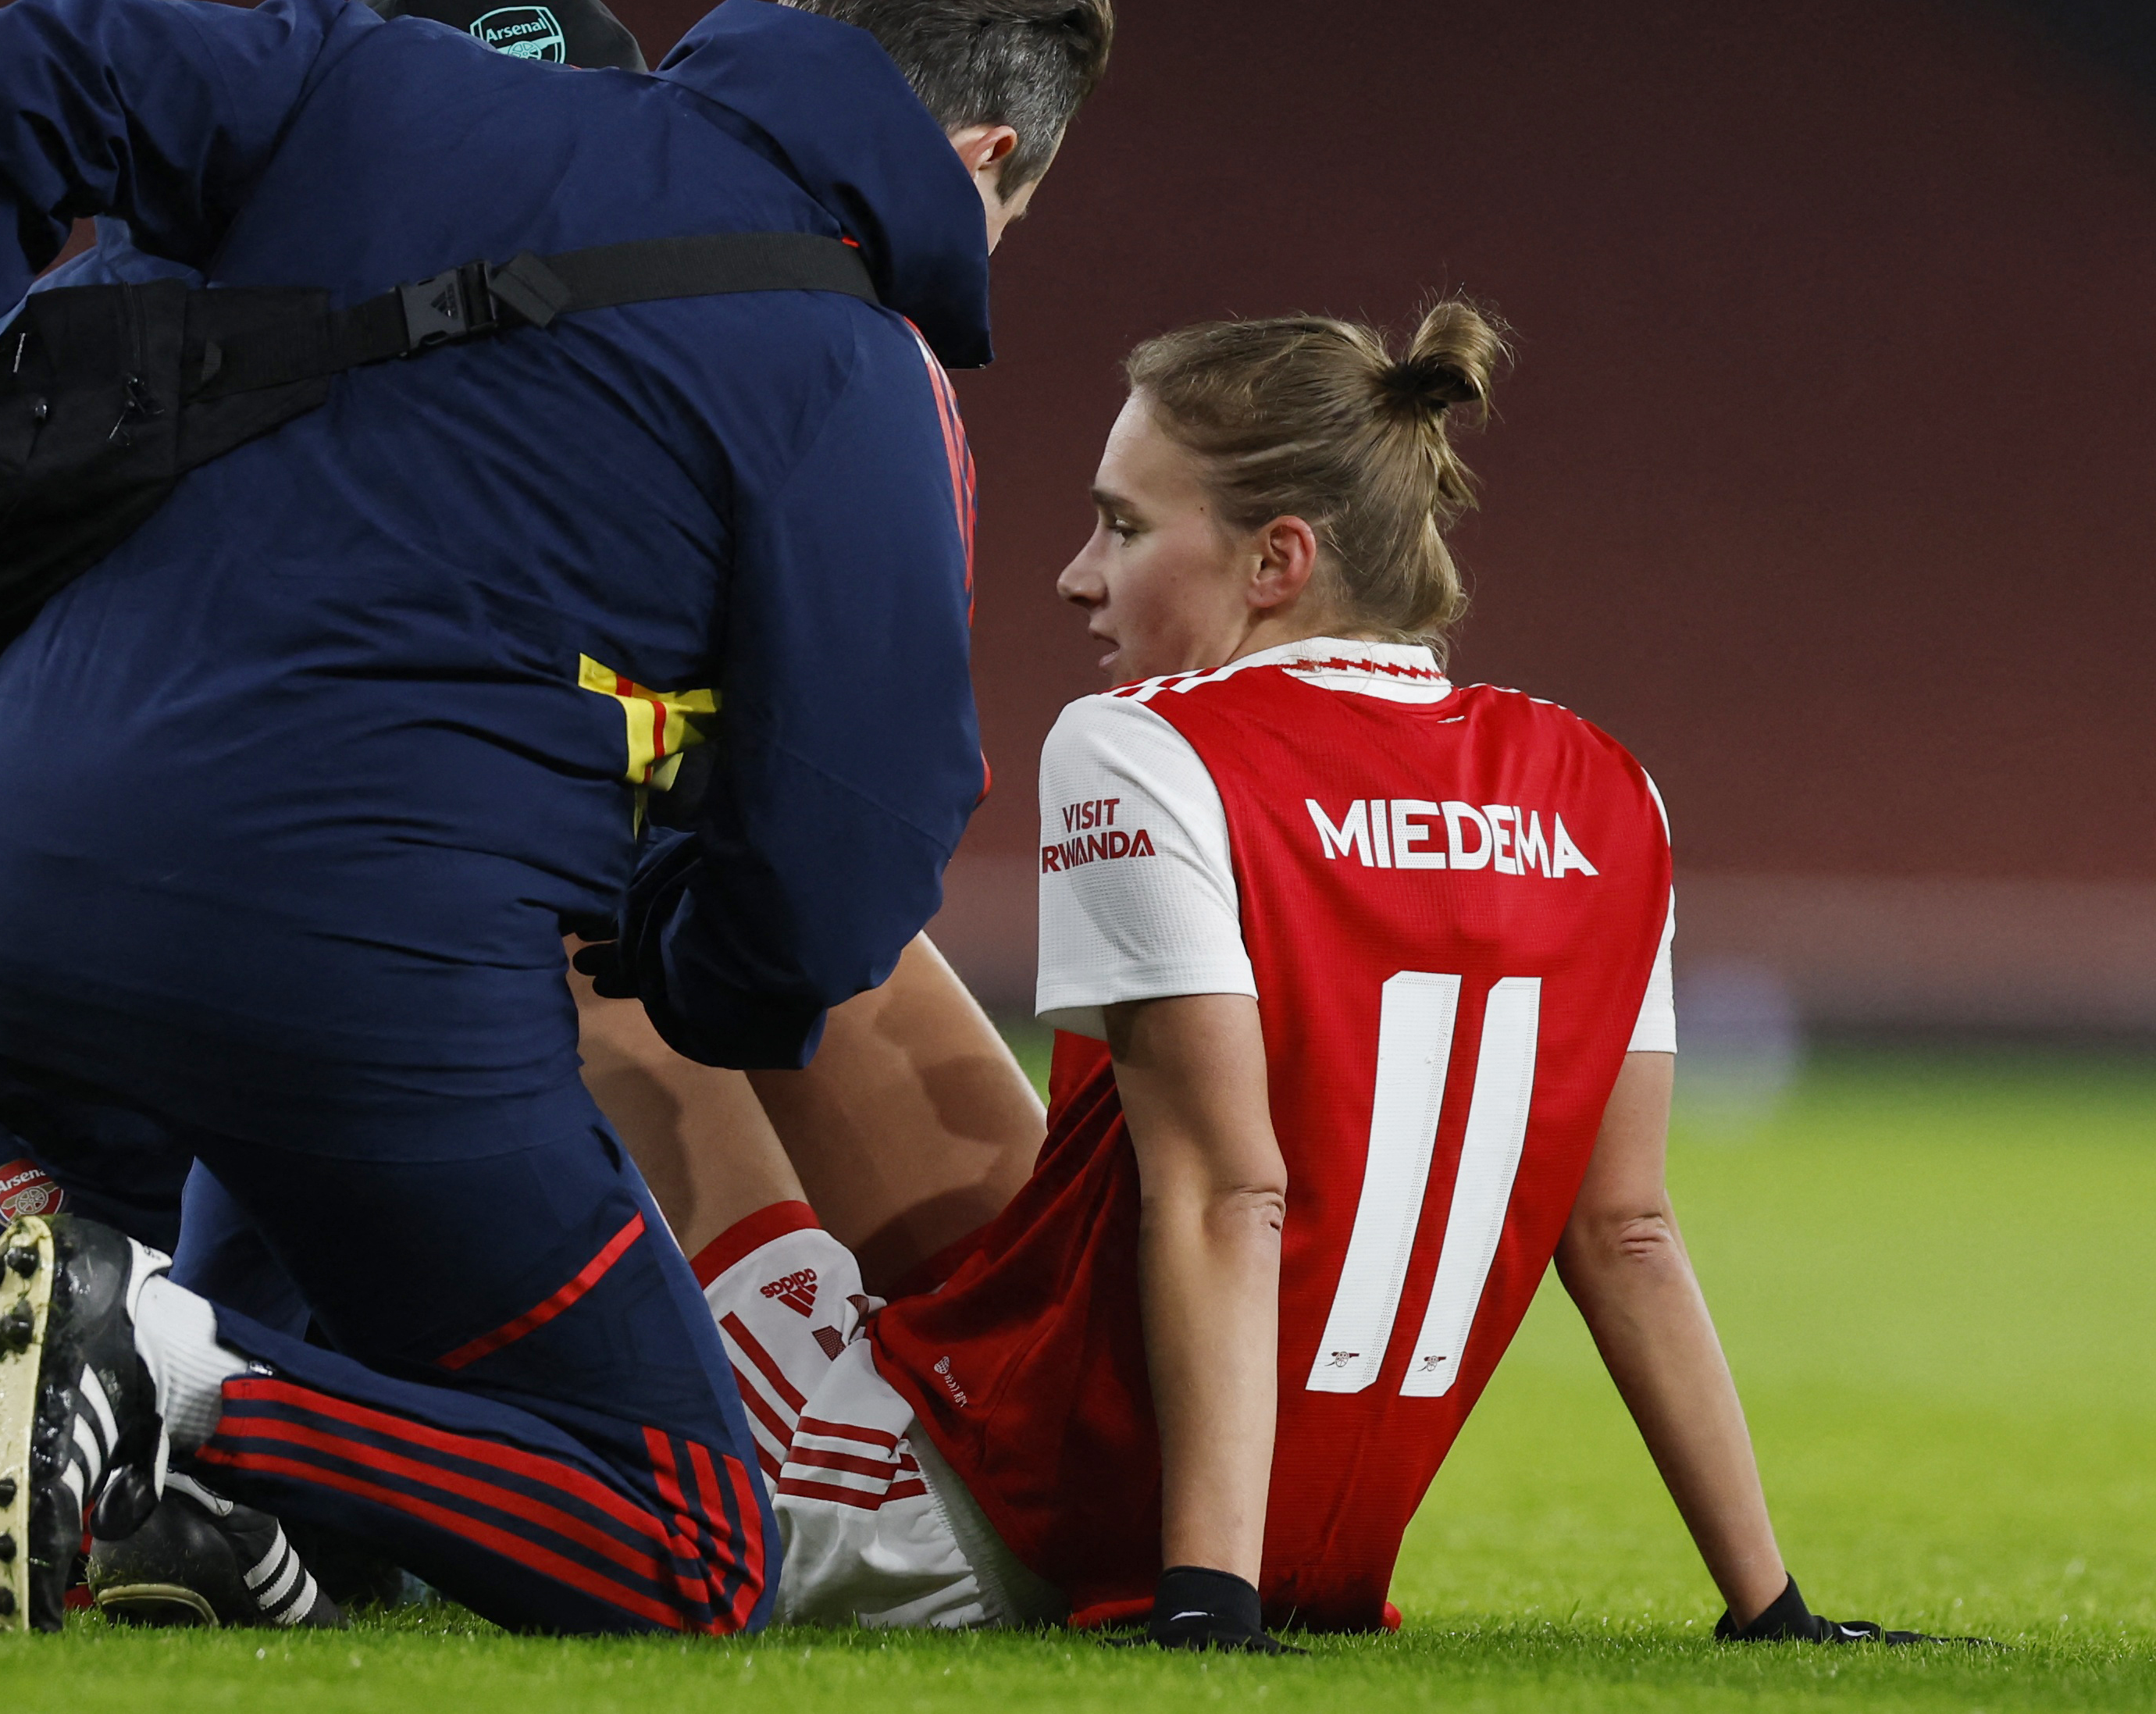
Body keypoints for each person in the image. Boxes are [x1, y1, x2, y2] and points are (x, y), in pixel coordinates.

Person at [0, 0, 1108, 1637]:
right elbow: (849, 844)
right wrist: (688, 966)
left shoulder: (379, 85)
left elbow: (29, 69)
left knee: (342, 1330)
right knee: (689, 1542)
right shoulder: (858, 374)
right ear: (985, 152)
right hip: (352, 964)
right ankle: (160, 1361)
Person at [601, 305, 1957, 1646]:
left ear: (1276, 561)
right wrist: (1769, 1608)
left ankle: (411, 1456)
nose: (1079, 574)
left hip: (968, 1522)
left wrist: (1201, 1601)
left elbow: (1226, 1192)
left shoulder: (1146, 744)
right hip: (1311, 1545)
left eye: (1124, 527)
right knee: (806, 924)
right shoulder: (1604, 788)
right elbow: (1628, 1233)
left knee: (592, 938)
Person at [0, 0, 650, 1626]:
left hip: (187, 1035)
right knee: (103, 1377)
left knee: (319, 1486)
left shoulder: (454, 397)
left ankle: (113, 1409)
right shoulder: (117, 378)